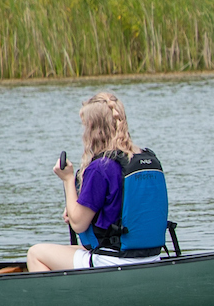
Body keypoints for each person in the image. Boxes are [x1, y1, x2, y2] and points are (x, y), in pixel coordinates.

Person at [26, 91, 172, 271]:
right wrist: (73, 210)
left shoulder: (101, 166)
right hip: (151, 256)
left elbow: (78, 225)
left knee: (35, 253)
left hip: (115, 260)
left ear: (93, 130)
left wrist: (68, 179)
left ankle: (59, 299)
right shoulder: (147, 158)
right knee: (72, 249)